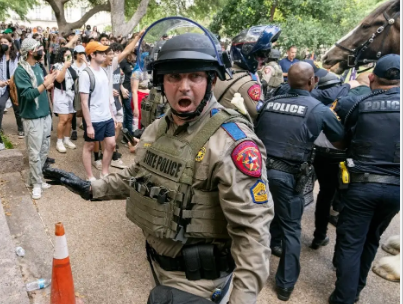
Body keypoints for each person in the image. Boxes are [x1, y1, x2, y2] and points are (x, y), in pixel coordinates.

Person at [44, 20, 273, 304]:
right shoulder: (156, 129)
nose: (184, 87)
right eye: (174, 77)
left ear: (212, 80)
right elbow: (137, 177)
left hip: (202, 285)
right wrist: (91, 188)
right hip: (157, 265)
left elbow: (253, 235)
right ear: (161, 82)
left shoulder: (233, 144)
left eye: (195, 77)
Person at [255, 62, 344, 301]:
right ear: (312, 81)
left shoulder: (269, 104)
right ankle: (284, 286)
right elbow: (339, 142)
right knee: (292, 228)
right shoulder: (319, 109)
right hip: (287, 176)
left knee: (256, 221)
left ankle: (255, 264)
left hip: (258, 174)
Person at [329, 54, 400, 304]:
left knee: (351, 243)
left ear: (371, 77)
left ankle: (344, 298)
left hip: (361, 187)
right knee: (372, 238)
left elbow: (341, 141)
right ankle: (356, 290)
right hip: (396, 190)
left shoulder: (358, 104)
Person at [14, 38, 57, 199]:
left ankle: (35, 179)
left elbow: (42, 86)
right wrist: (46, 85)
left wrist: (49, 81)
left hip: (45, 114)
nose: (43, 50)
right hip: (31, 118)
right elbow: (28, 94)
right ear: (31, 51)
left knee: (44, 149)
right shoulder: (21, 71)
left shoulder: (39, 66)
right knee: (34, 152)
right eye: (40, 48)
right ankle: (37, 184)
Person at [214, 25, 281, 122]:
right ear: (247, 53)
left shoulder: (223, 72)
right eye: (261, 55)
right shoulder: (250, 83)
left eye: (267, 54)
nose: (265, 60)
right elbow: (258, 113)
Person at [52, 47, 78, 153]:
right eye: (66, 55)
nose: (68, 57)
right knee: (63, 119)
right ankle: (59, 141)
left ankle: (67, 139)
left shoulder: (72, 66)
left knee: (70, 119)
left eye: (70, 55)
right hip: (61, 95)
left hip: (70, 95)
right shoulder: (57, 66)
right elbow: (59, 79)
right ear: (61, 56)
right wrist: (65, 67)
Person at [0, 34, 23, 137]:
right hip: (3, 86)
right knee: (0, 105)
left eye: (5, 42)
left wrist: (14, 80)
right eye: (1, 43)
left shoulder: (17, 56)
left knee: (17, 107)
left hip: (14, 85)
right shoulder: (0, 56)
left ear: (10, 44)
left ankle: (21, 128)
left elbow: (21, 70)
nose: (3, 44)